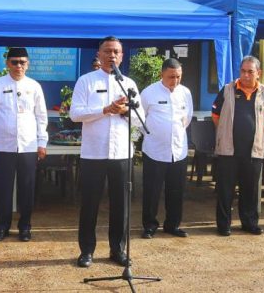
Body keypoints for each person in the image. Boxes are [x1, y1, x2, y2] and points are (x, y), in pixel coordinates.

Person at [70, 36, 143, 268]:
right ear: (98, 54)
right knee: (90, 202)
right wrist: (105, 109)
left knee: (121, 204)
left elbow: (141, 120)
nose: (112, 55)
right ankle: (87, 251)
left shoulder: (129, 84)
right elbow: (75, 114)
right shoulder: (86, 81)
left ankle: (117, 249)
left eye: (116, 52)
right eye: (107, 51)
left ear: (122, 56)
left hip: (121, 151)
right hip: (94, 152)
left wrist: (123, 112)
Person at [0, 47, 48, 242]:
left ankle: (25, 227)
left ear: (27, 64)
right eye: (14, 62)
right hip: (3, 145)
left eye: (22, 62)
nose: (19, 66)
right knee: (3, 188)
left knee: (27, 188)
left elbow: (41, 116)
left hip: (28, 145)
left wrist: (42, 142)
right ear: (7, 64)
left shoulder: (34, 86)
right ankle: (2, 226)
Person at [212, 56, 264, 236]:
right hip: (228, 150)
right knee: (225, 190)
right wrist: (226, 134)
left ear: (258, 73)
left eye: (250, 72)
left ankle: (249, 223)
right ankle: (224, 225)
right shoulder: (227, 90)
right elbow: (216, 116)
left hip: (253, 151)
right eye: (243, 71)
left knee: (251, 190)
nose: (246, 75)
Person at [140, 58, 193, 239]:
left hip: (178, 151)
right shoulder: (149, 93)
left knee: (176, 191)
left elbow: (188, 117)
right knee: (152, 191)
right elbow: (140, 118)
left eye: (178, 77)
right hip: (154, 150)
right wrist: (153, 133)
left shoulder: (185, 92)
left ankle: (173, 225)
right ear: (162, 74)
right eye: (171, 77)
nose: (175, 81)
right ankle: (149, 226)